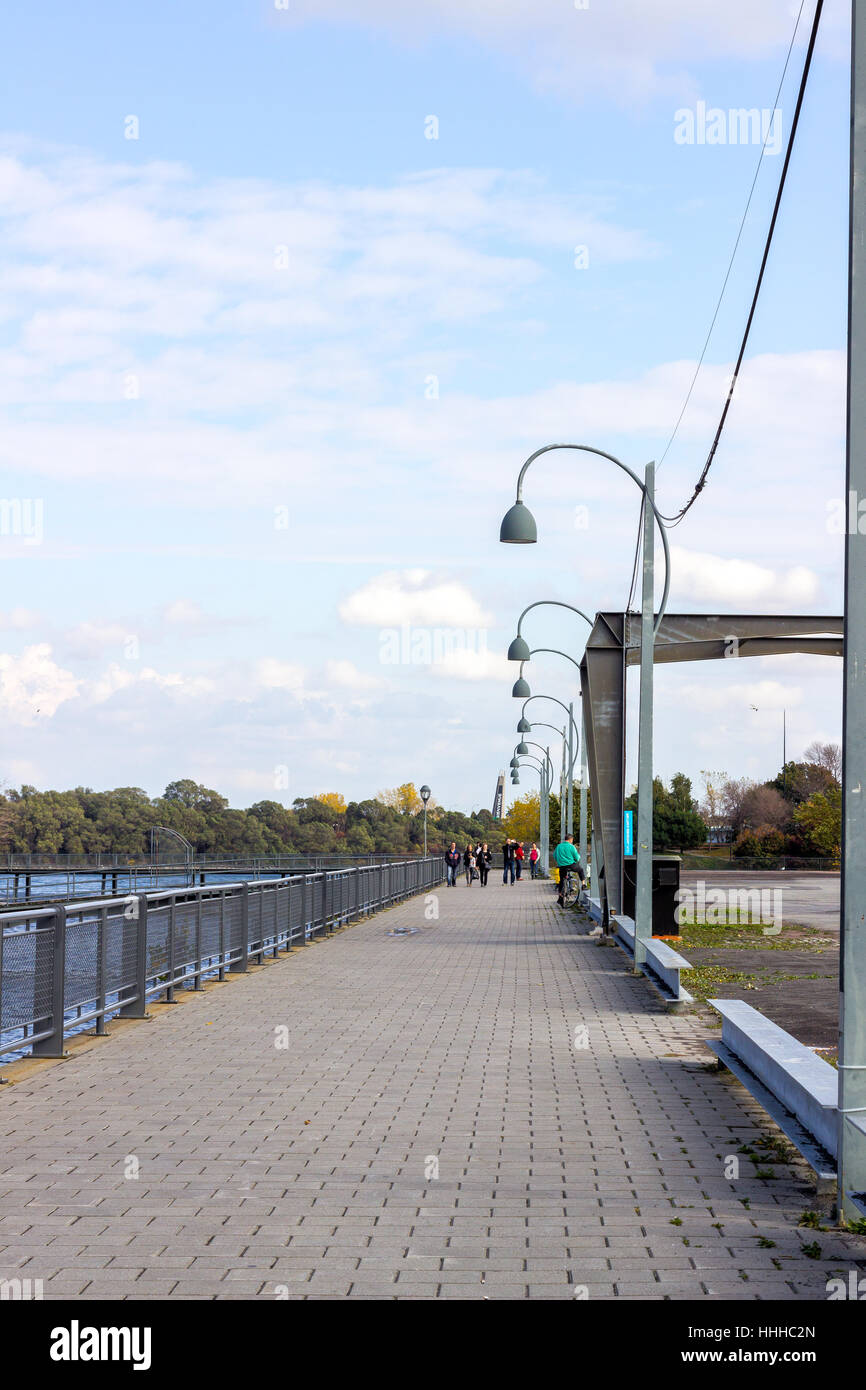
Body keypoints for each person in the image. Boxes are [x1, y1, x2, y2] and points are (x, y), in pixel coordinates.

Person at [554, 833, 584, 906]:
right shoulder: (571, 847)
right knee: (580, 870)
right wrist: (577, 858)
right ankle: (583, 884)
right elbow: (577, 858)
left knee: (561, 880)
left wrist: (560, 861)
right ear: (571, 839)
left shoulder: (558, 846)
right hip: (571, 865)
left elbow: (555, 855)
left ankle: (560, 896)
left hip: (561, 866)